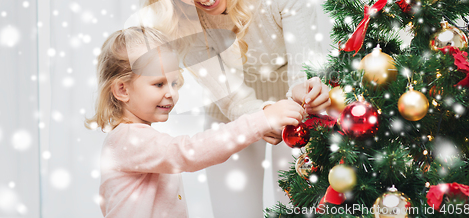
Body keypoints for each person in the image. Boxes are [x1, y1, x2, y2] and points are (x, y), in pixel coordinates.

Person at [138, 0, 331, 216]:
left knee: (301, 208)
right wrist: (262, 115)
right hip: (231, 117)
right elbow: (231, 97)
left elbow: (304, 62)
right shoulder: (176, 18)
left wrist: (305, 95)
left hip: (298, 111)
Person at [85, 26, 305, 218]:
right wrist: (262, 120)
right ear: (122, 89)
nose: (171, 93)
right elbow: (189, 152)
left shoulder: (131, 140)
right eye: (159, 84)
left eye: (174, 83)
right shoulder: (127, 139)